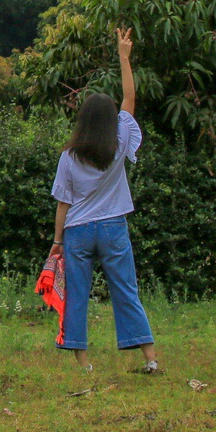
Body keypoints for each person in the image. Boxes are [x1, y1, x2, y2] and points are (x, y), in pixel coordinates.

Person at [48, 27, 159, 373]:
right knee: (126, 290)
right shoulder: (120, 142)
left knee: (77, 296)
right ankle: (150, 359)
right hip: (113, 226)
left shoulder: (69, 155)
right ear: (112, 120)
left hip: (78, 231)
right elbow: (130, 100)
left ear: (81, 120)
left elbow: (63, 204)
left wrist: (57, 242)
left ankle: (83, 362)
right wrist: (124, 58)